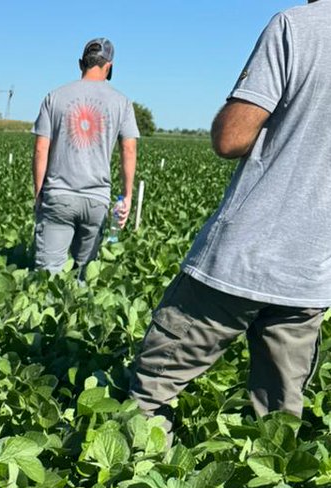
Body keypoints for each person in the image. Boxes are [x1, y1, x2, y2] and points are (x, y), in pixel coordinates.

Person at [130, 0, 330, 445]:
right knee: (278, 425)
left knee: (150, 393)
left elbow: (231, 137)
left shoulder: (297, 27)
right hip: (312, 273)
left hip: (242, 258)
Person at [32, 38, 138, 278]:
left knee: (48, 277)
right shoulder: (122, 103)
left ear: (81, 63)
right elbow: (129, 150)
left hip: (59, 196)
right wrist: (127, 197)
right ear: (109, 66)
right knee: (84, 275)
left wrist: (39, 194)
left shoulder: (54, 96)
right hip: (97, 200)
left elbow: (41, 148)